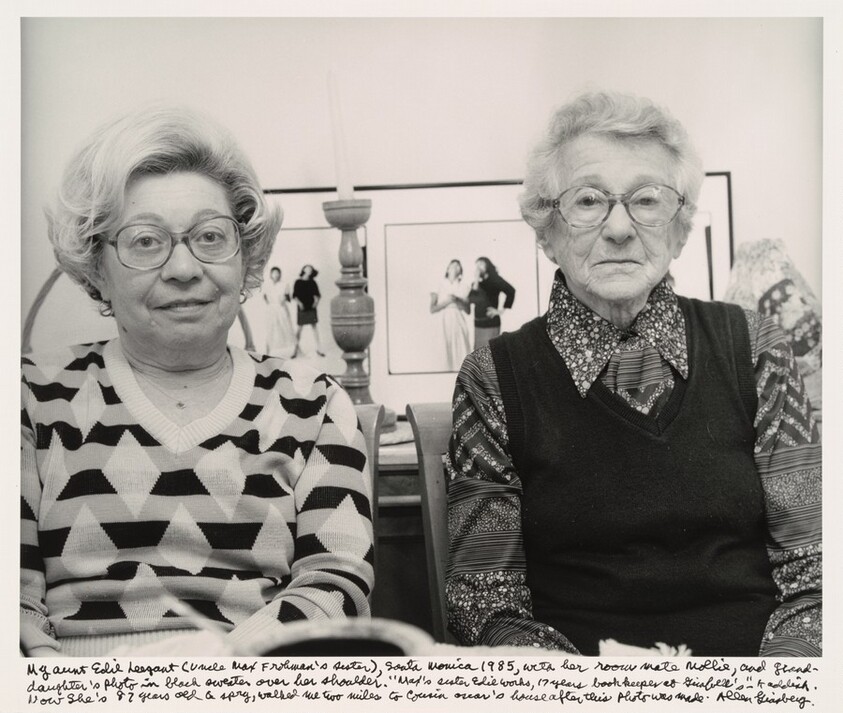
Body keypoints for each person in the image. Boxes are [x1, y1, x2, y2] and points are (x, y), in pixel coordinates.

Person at [445, 91, 821, 656]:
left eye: (646, 200)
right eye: (589, 200)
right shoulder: (493, 378)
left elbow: (815, 569)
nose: (620, 228)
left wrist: (775, 688)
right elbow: (483, 599)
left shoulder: (756, 348)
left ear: (680, 229)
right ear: (546, 231)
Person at [21, 106, 374, 657]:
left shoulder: (316, 402)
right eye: (145, 241)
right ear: (95, 268)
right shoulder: (29, 397)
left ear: (246, 255)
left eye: (210, 237)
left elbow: (337, 584)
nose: (184, 268)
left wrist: (215, 673)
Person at [430, 259, 471, 371]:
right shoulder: (439, 285)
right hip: (443, 320)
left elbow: (468, 310)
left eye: (458, 266)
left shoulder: (465, 287)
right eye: (452, 265)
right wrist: (447, 301)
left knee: (460, 348)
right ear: (447, 269)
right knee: (444, 349)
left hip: (458, 320)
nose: (454, 267)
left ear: (460, 272)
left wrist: (457, 300)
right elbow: (432, 309)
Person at [468, 257, 516, 349]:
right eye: (477, 265)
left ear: (487, 265)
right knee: (479, 354)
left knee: (490, 354)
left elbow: (511, 291)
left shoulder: (495, 279)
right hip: (478, 324)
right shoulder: (477, 284)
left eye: (481, 264)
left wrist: (500, 311)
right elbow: (472, 299)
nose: (478, 268)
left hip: (490, 323)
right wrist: (476, 279)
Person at [292, 264, 325, 358]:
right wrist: (300, 304)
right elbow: (294, 295)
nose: (309, 270)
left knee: (314, 328)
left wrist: (316, 303)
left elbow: (317, 295)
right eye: (307, 268)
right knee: (299, 329)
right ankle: (295, 351)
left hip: (311, 307)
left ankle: (319, 349)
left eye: (311, 269)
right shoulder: (298, 282)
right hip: (302, 308)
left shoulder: (313, 282)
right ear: (303, 269)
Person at [262, 265, 295, 356]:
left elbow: (288, 298)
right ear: (271, 274)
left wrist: (282, 300)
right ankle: (267, 351)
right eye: (274, 273)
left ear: (280, 274)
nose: (276, 275)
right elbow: (265, 297)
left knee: (287, 328)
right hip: (272, 309)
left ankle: (296, 350)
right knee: (270, 329)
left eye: (277, 273)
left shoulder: (284, 284)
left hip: (281, 308)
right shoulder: (267, 285)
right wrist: (271, 304)